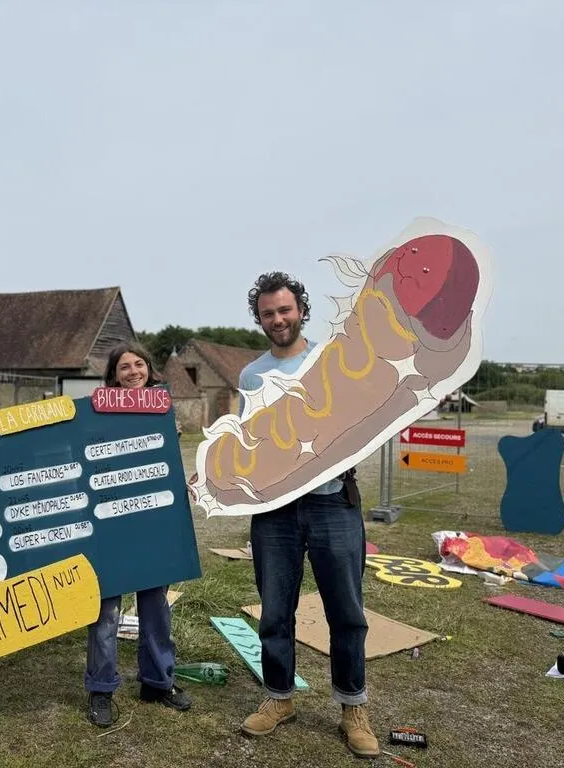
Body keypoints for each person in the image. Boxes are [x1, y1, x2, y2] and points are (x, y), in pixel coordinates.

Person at [236, 272, 380, 758]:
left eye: (285, 310)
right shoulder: (251, 376)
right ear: (259, 319)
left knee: (347, 611)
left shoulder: (330, 360)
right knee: (275, 610)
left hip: (332, 501)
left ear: (301, 310)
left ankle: (353, 708)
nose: (278, 319)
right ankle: (279, 698)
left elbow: (363, 418)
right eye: (268, 313)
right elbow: (247, 441)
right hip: (274, 510)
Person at [84, 341, 192, 727]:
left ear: (149, 369)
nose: (134, 372)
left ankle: (158, 682)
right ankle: (101, 688)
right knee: (105, 610)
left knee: (155, 606)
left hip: (153, 521)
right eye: (125, 367)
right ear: (113, 375)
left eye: (139, 364)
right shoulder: (96, 412)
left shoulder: (162, 408)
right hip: (110, 523)